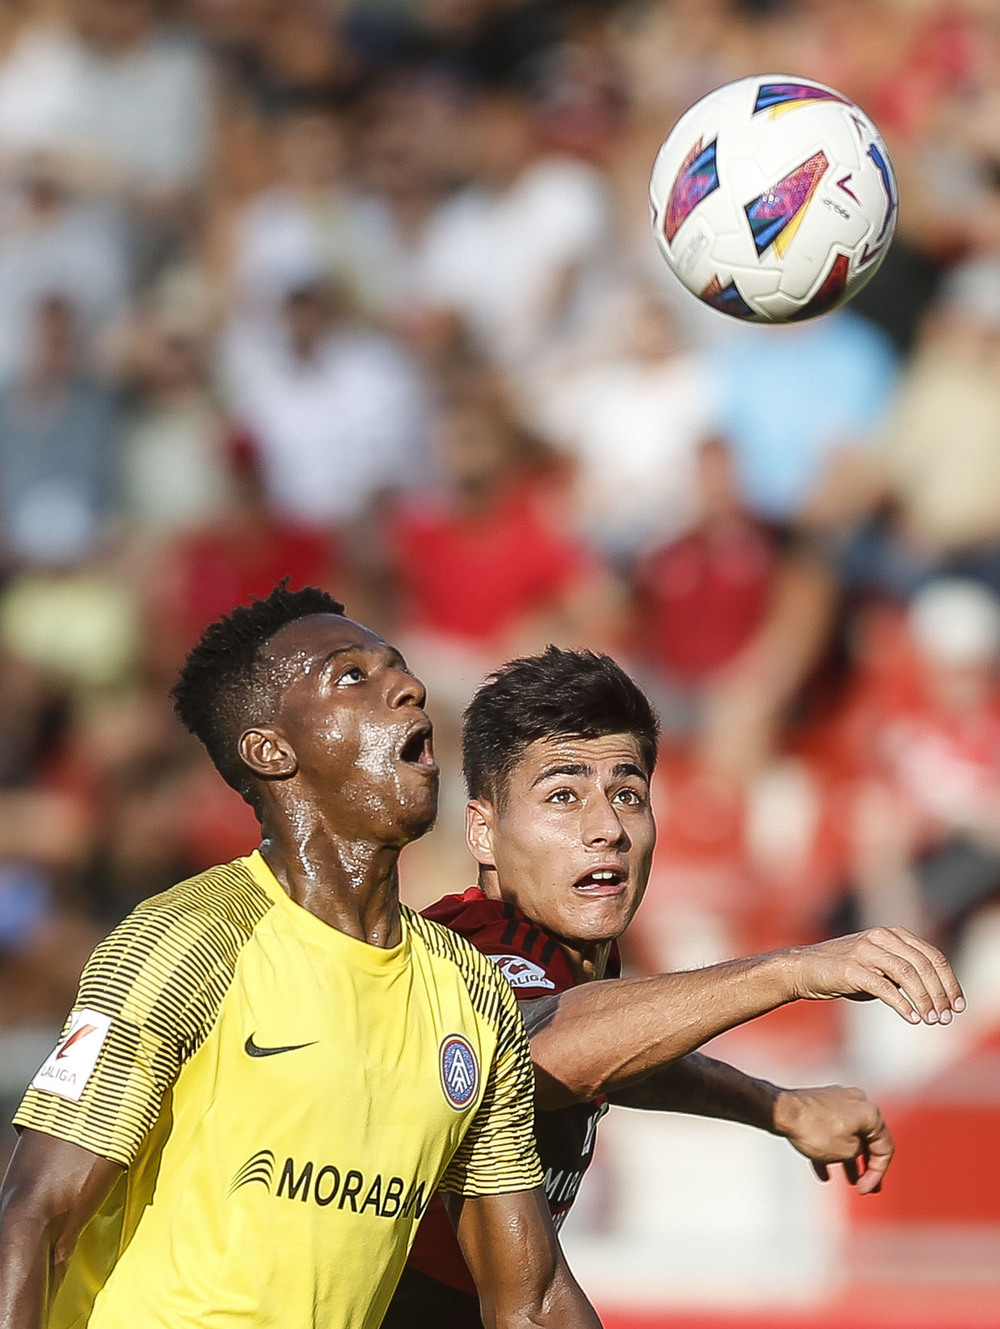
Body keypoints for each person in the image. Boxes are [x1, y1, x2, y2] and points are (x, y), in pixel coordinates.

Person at [0, 586, 601, 1329]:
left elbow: (531, 1299)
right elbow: (37, 1215)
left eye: (401, 668)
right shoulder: (190, 940)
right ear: (270, 748)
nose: (409, 688)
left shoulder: (469, 992)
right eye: (352, 675)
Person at [383, 646, 965, 1327]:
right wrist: (794, 970)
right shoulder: (474, 946)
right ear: (484, 830)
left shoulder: (568, 960)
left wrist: (778, 1107)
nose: (607, 828)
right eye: (562, 796)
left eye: (627, 793)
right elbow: (541, 1053)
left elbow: (612, 1064)